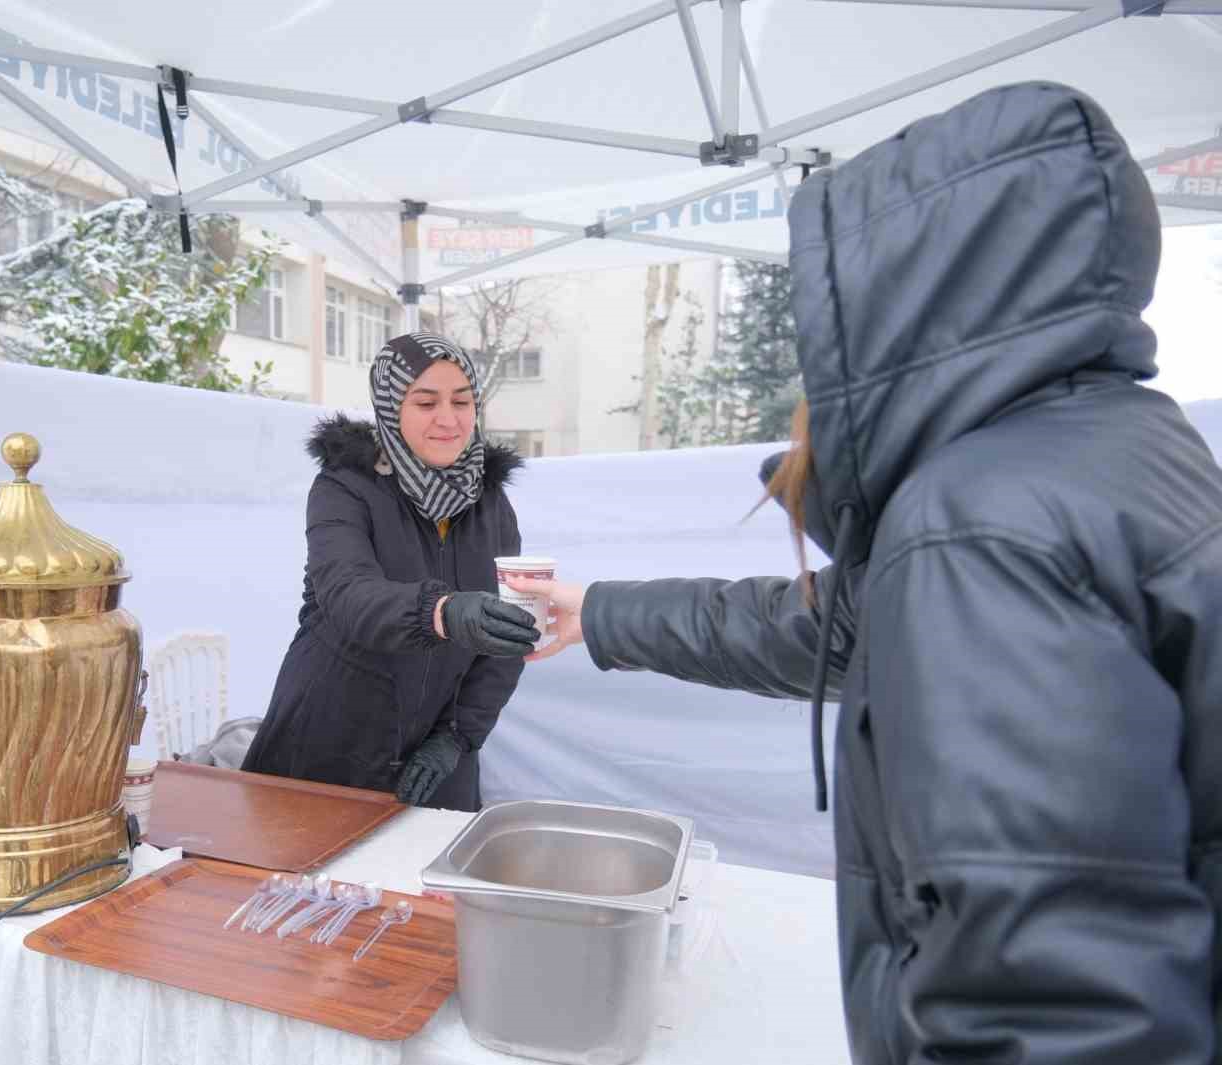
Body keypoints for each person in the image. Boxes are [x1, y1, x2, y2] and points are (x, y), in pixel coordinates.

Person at [513, 82, 1222, 1064]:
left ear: (900, 296)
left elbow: (1052, 1010)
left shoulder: (980, 522)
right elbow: (834, 627)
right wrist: (598, 613)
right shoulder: (1124, 446)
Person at [241, 332, 539, 811]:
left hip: (436, 758)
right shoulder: (346, 487)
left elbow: (507, 636)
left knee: (430, 881)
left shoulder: (491, 504)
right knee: (309, 881)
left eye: (461, 401)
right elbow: (348, 594)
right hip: (329, 741)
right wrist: (443, 612)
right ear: (391, 406)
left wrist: (459, 737)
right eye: (426, 403)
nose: (448, 418)